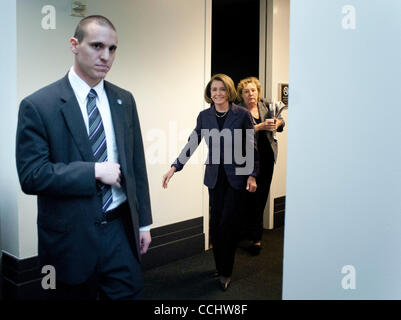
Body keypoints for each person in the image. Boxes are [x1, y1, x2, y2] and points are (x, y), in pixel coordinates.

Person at [15, 15, 152, 300]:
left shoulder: (123, 100)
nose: (106, 56)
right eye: (97, 46)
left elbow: (136, 165)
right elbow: (32, 176)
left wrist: (143, 223)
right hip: (69, 238)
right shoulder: (39, 105)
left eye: (112, 49)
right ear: (74, 45)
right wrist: (93, 172)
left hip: (120, 231)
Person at [162, 74, 258, 291]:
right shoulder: (204, 116)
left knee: (228, 224)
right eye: (214, 89)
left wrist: (252, 175)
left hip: (237, 177)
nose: (217, 93)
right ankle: (219, 265)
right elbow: (193, 142)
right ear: (209, 92)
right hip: (214, 178)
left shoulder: (241, 115)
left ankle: (226, 271)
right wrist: (175, 167)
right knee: (215, 225)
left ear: (229, 91)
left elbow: (251, 146)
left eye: (222, 89)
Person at [237, 77, 285, 255]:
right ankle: (242, 233)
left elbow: (281, 122)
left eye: (253, 90)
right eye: (246, 91)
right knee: (247, 197)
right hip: (247, 159)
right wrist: (259, 127)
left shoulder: (266, 105)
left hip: (267, 157)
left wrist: (278, 123)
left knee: (261, 197)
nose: (251, 94)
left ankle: (256, 239)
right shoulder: (238, 110)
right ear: (242, 94)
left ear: (258, 92)